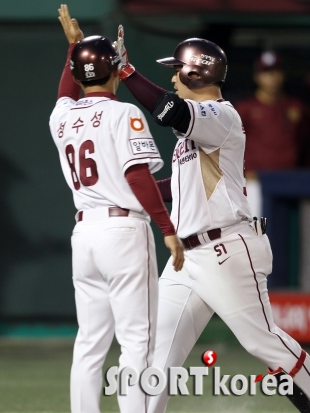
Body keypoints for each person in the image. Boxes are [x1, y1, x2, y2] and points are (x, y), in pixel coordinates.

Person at [115, 30, 310, 413]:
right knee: (157, 351)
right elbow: (178, 186)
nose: (173, 76)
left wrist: (126, 73)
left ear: (195, 73)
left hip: (226, 248)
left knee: (262, 341)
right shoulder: (192, 132)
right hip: (186, 259)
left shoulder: (220, 115)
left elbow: (167, 109)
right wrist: (129, 192)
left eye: (176, 69)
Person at [50, 6, 184, 413]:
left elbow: (65, 92)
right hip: (123, 232)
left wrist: (74, 48)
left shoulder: (61, 117)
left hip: (85, 234)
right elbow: (138, 178)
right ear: (114, 69)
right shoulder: (125, 112)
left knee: (90, 342)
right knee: (137, 343)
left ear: (76, 75)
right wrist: (167, 228)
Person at [235, 51, 308, 217]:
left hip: (291, 181)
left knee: (291, 235)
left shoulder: (296, 107)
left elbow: (304, 142)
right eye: (266, 73)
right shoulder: (245, 108)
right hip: (256, 181)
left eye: (275, 71)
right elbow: (230, 145)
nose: (272, 77)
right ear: (257, 77)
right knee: (258, 234)